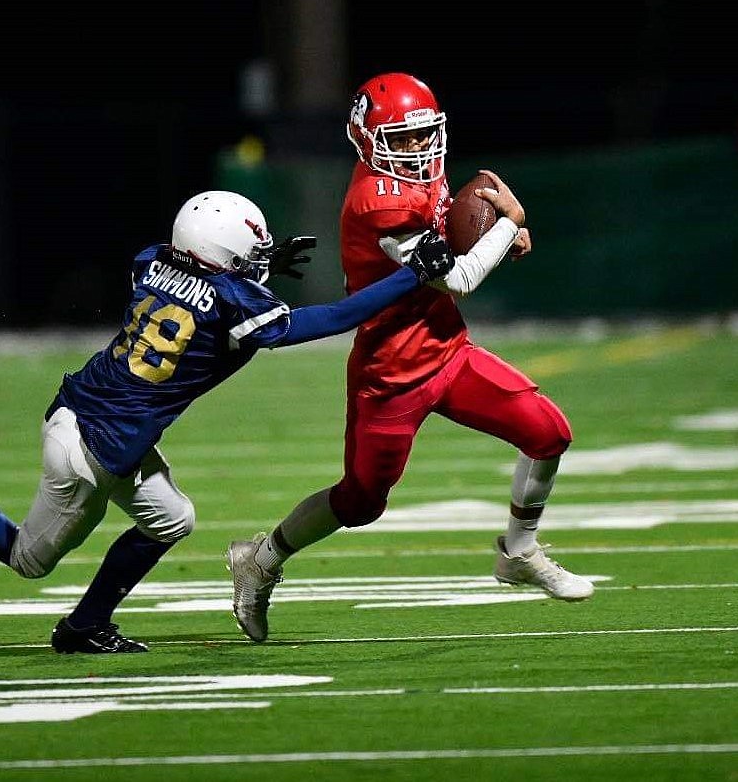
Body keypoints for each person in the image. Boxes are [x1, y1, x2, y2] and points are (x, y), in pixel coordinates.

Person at [0, 189, 456, 654]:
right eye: (251, 256)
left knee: (172, 519)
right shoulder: (230, 300)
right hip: (91, 446)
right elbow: (323, 321)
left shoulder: (151, 263)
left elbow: (199, 275)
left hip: (98, 416)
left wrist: (256, 262)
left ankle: (87, 622)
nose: (258, 266)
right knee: (29, 559)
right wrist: (411, 276)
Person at [225, 72, 593, 644]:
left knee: (549, 434)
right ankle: (261, 559)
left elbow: (449, 231)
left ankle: (518, 552)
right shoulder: (376, 201)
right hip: (389, 373)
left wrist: (490, 230)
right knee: (359, 500)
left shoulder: (422, 173)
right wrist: (508, 224)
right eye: (404, 138)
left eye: (425, 135)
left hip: (447, 350)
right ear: (367, 139)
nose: (419, 149)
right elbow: (459, 277)